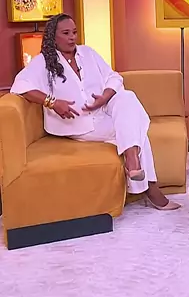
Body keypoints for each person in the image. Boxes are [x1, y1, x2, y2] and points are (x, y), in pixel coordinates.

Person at [10, 13, 180, 211]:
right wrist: (52, 102)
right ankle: (150, 188)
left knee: (127, 97)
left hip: (102, 110)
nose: (72, 37)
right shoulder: (43, 62)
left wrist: (105, 97)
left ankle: (133, 164)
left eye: (74, 32)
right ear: (53, 37)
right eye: (66, 33)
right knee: (136, 129)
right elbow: (20, 86)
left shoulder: (88, 53)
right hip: (77, 121)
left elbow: (114, 77)